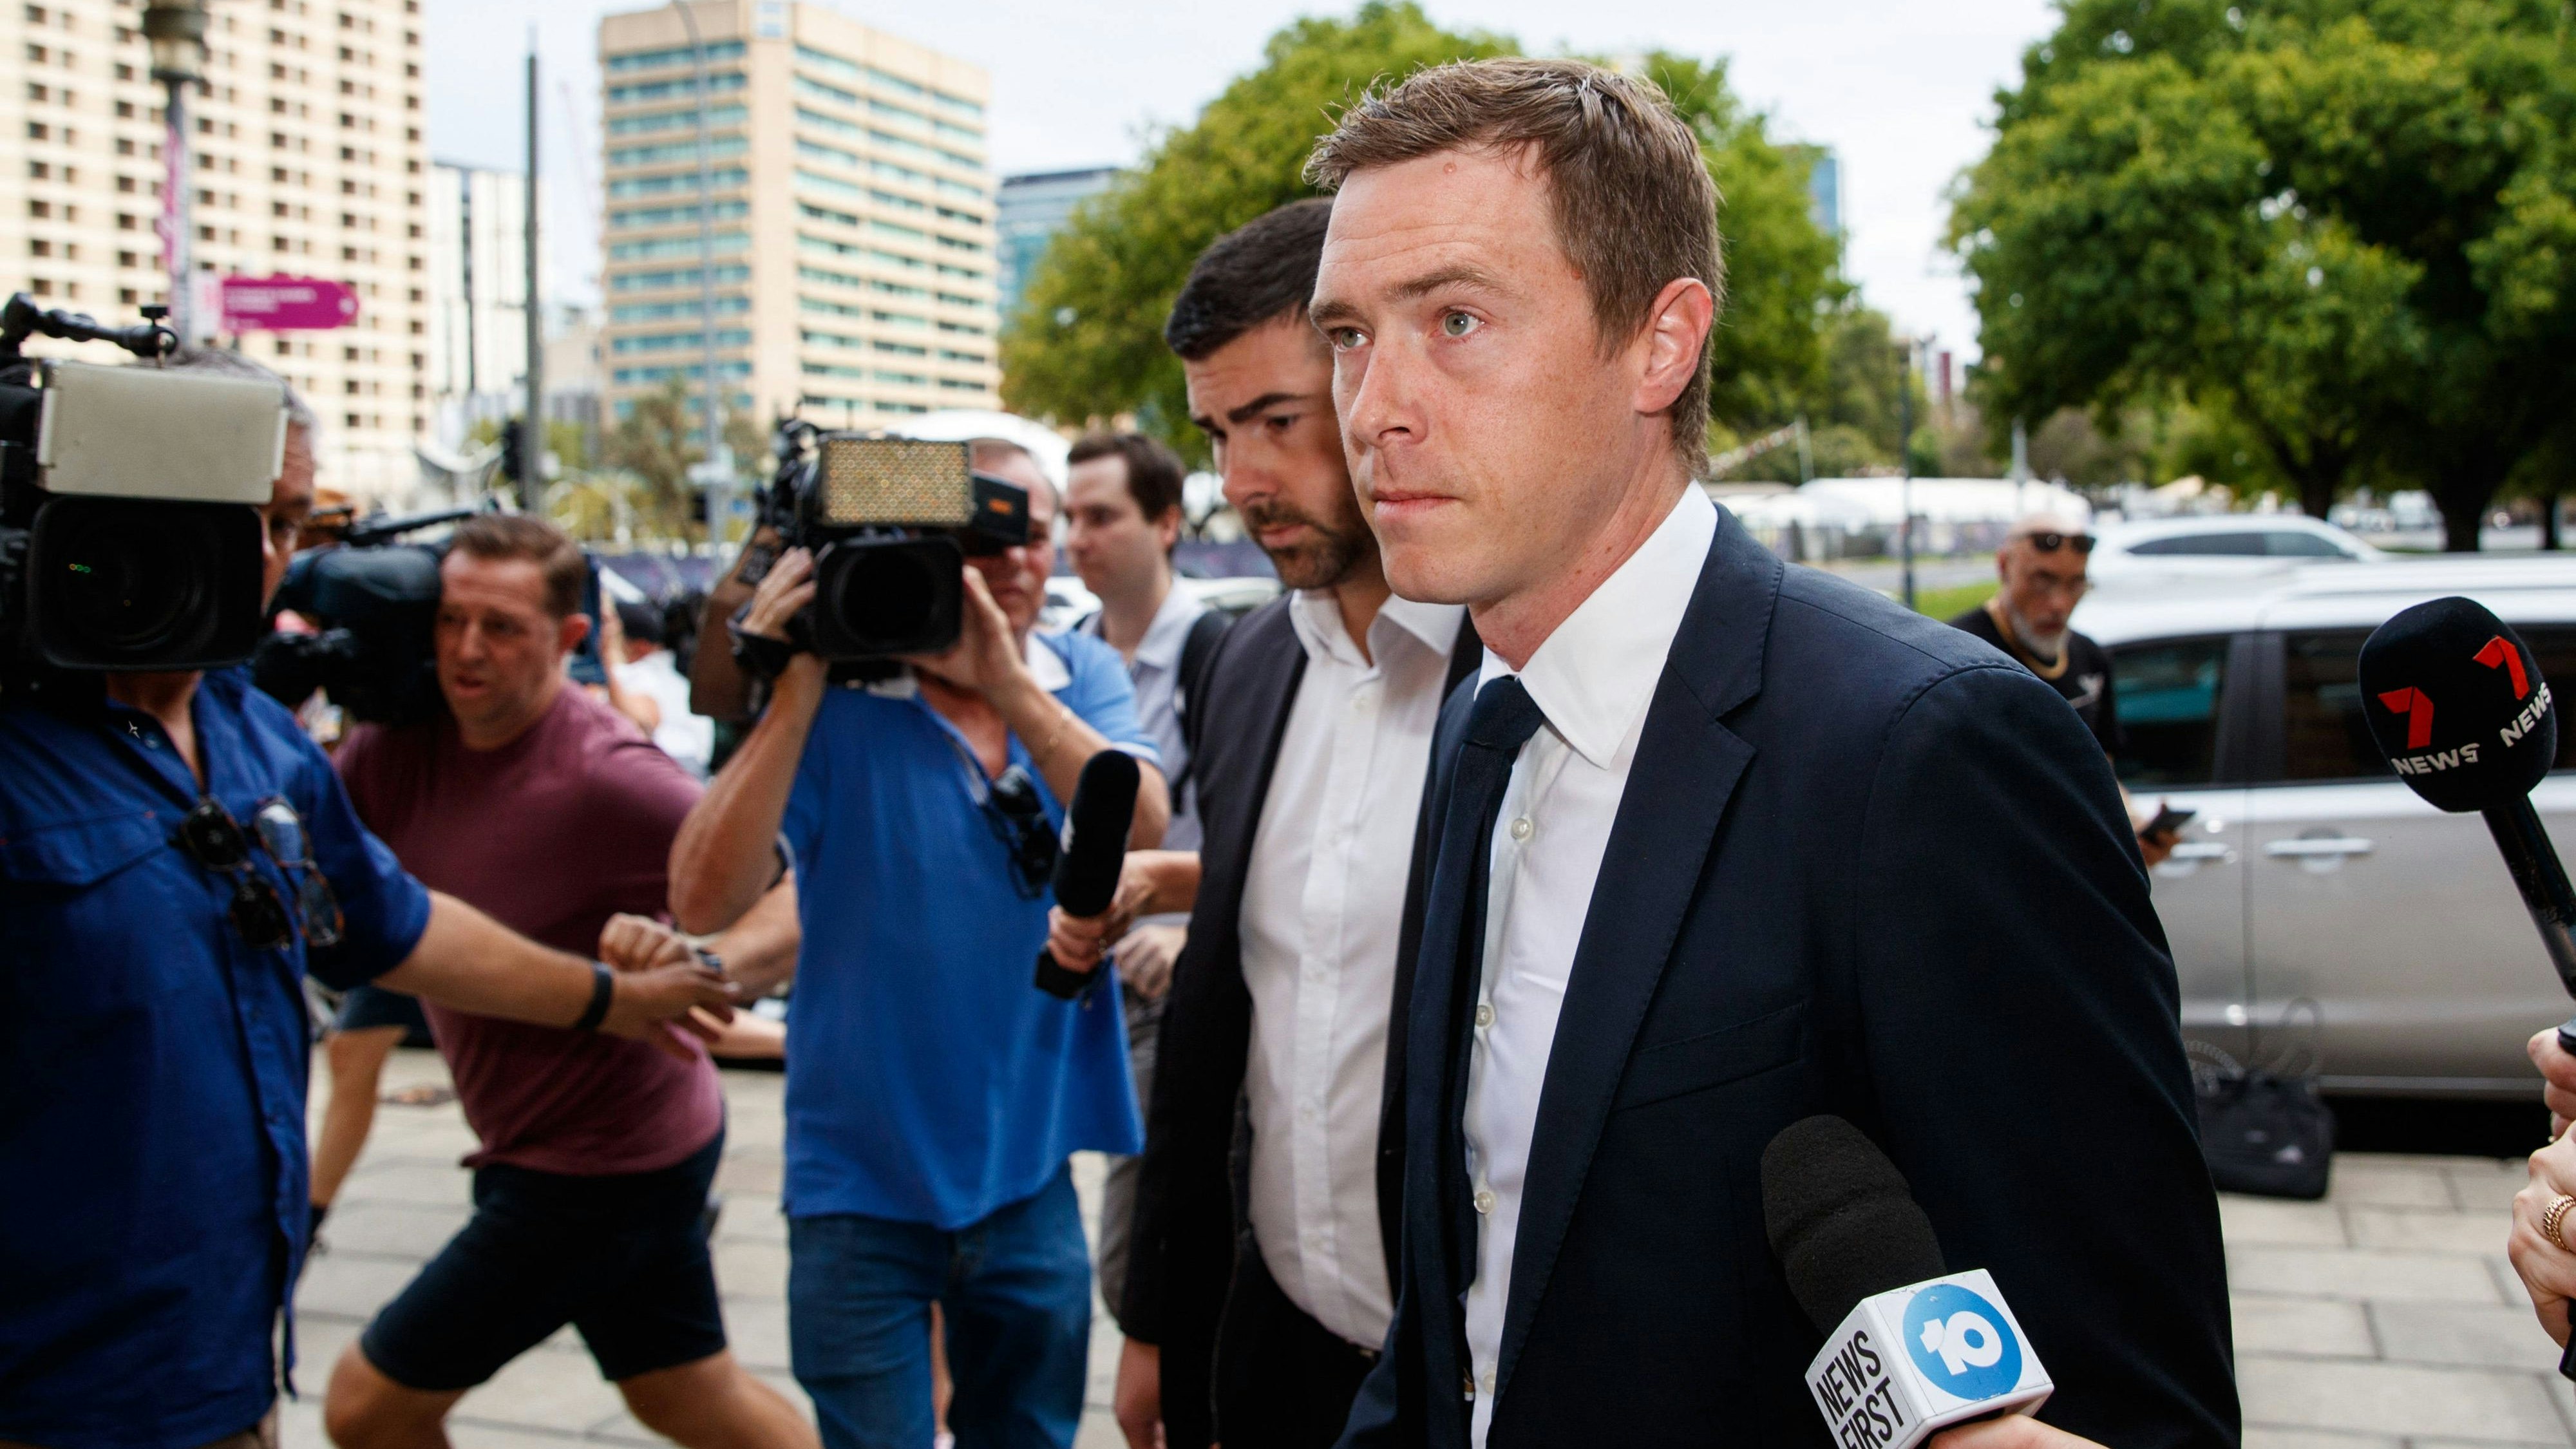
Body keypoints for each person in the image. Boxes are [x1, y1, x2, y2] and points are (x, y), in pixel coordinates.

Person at [1299, 59, 2238, 1445]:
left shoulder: (1928, 757)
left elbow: (2129, 1401)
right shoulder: (1476, 716)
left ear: (1660, 342)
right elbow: (1464, 1309)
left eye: (1451, 319)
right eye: (1345, 336)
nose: (1373, 406)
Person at [0, 348, 737, 1449]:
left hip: (228, 1374)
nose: (260, 558)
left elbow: (397, 923)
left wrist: (608, 999)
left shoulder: (256, 739)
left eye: (290, 524)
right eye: (234, 515)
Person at [1045, 200, 1482, 1449]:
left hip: (1477, 1384)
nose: (1238, 482)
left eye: (1277, 422)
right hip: (1273, 1357)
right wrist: (1155, 1325)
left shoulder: (1520, 672)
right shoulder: (1241, 667)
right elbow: (1214, 1031)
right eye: (1216, 434)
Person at [667, 439, 1171, 1449]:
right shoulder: (845, 708)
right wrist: (796, 683)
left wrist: (1007, 686)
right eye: (982, 541)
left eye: (1035, 537)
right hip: (858, 1185)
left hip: (1028, 1175)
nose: (1016, 562)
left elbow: (1142, 816)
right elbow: (704, 898)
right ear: (929, 551)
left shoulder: (1078, 668)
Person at [319, 515, 814, 1449]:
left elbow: (795, 895)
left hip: (606, 1161)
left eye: (502, 628)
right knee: (684, 1395)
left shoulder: (608, 774)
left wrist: (702, 965)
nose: (469, 650)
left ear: (570, 639)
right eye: (452, 619)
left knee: (367, 1407)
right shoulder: (391, 752)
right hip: (554, 1142)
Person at [1059, 429, 1221, 1338]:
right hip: (1084, 978)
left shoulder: (1218, 651)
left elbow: (1265, 834)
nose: (1078, 538)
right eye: (1068, 517)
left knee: (1138, 1263)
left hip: (1175, 983)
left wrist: (1191, 927)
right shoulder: (1065, 655)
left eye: (1102, 516)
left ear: (1165, 523)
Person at [1949, 513, 2175, 865]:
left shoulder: (2091, 658)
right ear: (2004, 566)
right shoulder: (1957, 655)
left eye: (2075, 584)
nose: (2059, 604)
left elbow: (2100, 770)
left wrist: (2134, 830)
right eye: (2043, 581)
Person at [611, 594, 719, 777]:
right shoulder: (678, 681)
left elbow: (643, 723)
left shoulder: (637, 674)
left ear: (640, 647)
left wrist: (608, 665)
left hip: (664, 772)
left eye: (614, 638)